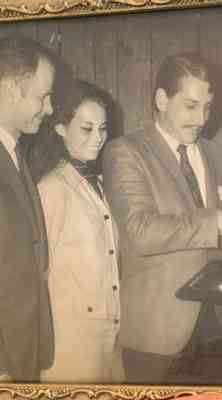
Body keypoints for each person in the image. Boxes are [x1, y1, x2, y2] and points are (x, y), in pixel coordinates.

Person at [103, 52, 222, 384]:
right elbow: (140, 231)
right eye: (190, 106)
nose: (201, 119)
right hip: (159, 333)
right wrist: (216, 221)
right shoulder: (126, 152)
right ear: (162, 99)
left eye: (207, 107)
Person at [38, 80, 125, 383]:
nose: (98, 138)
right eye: (87, 129)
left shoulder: (101, 183)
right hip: (71, 346)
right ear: (60, 128)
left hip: (110, 340)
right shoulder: (51, 189)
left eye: (103, 128)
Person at [0, 37, 56, 382]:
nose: (49, 109)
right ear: (9, 90)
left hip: (22, 349)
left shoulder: (16, 154)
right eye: (42, 96)